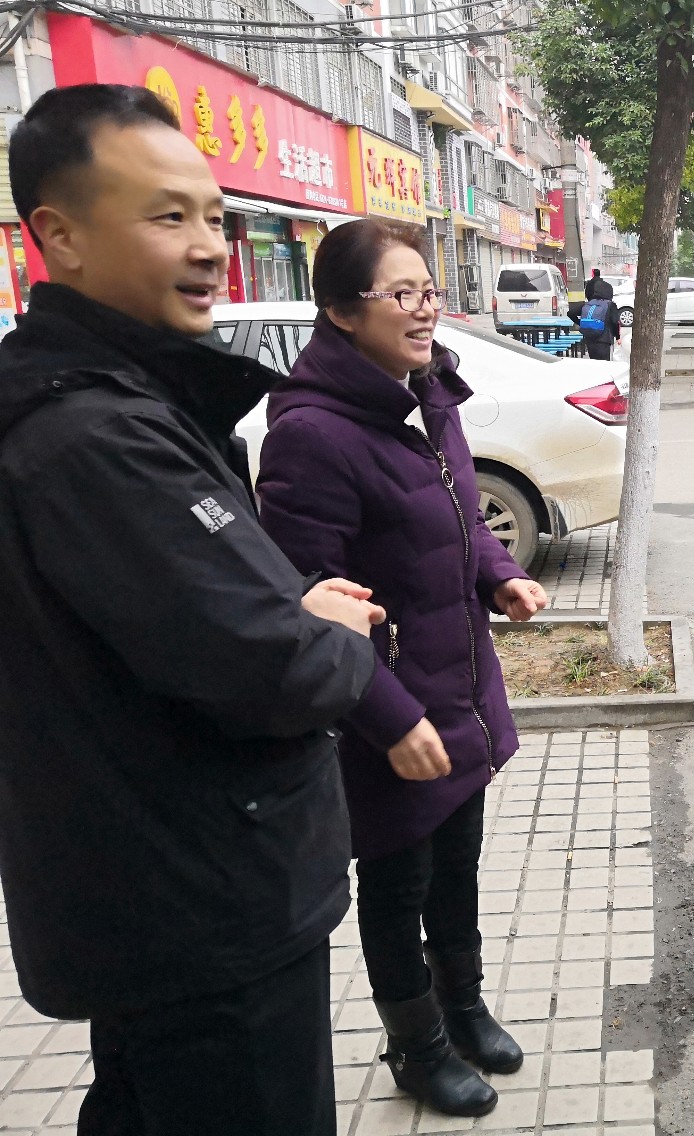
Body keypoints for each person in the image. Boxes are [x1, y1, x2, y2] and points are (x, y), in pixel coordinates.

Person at [0, 84, 383, 1134]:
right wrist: (333, 633)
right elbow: (274, 671)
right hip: (203, 910)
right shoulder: (96, 439)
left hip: (160, 893)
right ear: (59, 237)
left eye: (215, 217)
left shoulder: (124, 403)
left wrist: (287, 606)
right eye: (169, 217)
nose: (211, 246)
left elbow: (185, 616)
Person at [256, 218, 549, 1118]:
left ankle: (465, 1009)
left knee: (458, 866)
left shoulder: (426, 396)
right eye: (402, 294)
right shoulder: (313, 435)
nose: (425, 311)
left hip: (459, 688)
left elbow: (458, 516)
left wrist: (500, 574)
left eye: (429, 292)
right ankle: (416, 1049)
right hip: (386, 712)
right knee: (396, 885)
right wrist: (389, 719)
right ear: (343, 312)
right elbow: (308, 603)